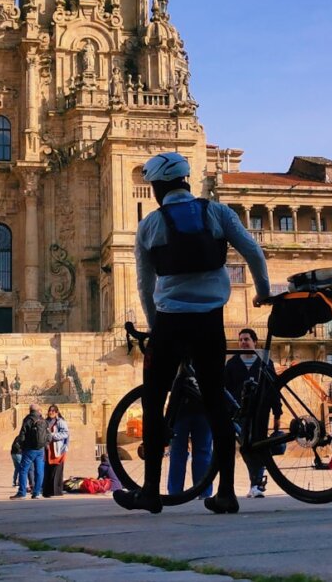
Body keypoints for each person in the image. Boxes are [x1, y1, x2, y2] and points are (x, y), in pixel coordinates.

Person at [113, 151, 271, 516]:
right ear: (186, 180)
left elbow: (144, 282)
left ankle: (151, 490)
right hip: (210, 321)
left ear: (156, 187)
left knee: (154, 402)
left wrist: (155, 327)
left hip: (170, 322)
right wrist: (262, 291)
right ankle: (227, 493)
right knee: (216, 403)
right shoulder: (217, 213)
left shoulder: (150, 224)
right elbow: (253, 253)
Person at [224, 328, 281, 498]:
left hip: (260, 411)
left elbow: (273, 389)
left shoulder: (265, 362)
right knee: (247, 446)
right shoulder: (232, 364)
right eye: (240, 340)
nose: (243, 342)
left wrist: (277, 413)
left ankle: (257, 484)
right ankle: (256, 483)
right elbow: (225, 388)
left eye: (246, 339)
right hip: (240, 413)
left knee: (257, 446)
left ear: (254, 342)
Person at [167, 368, 213, 499]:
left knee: (177, 452)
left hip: (181, 407)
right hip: (203, 407)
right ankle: (204, 491)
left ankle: (175, 492)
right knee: (203, 452)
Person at [10, 403, 50, 500]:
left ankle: (22, 492)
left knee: (23, 470)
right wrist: (45, 444)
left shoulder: (28, 420)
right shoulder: (43, 420)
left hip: (29, 449)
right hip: (40, 450)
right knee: (40, 471)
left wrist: (22, 446)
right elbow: (49, 435)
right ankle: (36, 493)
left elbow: (22, 435)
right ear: (38, 410)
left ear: (30, 410)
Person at [43, 404, 70, 497]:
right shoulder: (45, 421)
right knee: (48, 470)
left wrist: (53, 436)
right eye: (50, 410)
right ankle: (47, 490)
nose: (51, 412)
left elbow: (65, 433)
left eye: (53, 411)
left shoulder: (60, 422)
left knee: (56, 470)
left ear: (57, 412)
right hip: (48, 449)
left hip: (58, 448)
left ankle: (56, 491)